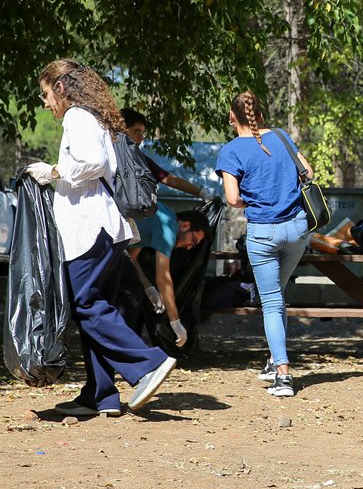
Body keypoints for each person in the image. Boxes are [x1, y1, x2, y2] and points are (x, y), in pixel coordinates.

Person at [26, 58, 177, 416]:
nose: (45, 103)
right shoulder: (94, 118)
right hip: (107, 229)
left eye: (46, 94)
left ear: (61, 88)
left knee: (86, 305)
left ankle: (148, 365)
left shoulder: (78, 117)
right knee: (96, 306)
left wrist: (53, 171)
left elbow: (92, 162)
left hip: (90, 229)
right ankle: (101, 394)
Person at [215, 91, 313, 398]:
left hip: (263, 234)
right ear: (259, 114)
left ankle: (283, 375)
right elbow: (308, 172)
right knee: (277, 295)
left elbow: (232, 199)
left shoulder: (231, 151)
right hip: (297, 230)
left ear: (233, 117)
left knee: (270, 302)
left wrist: (257, 197)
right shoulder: (282, 137)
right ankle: (273, 359)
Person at [123, 205, 212, 347]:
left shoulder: (164, 215)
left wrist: (148, 288)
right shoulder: (169, 228)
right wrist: (175, 322)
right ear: (185, 225)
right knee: (128, 302)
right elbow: (163, 278)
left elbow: (130, 258)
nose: (189, 247)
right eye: (193, 240)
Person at [120, 108, 213, 201]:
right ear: (122, 130)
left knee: (168, 215)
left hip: (131, 211)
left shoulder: (139, 159)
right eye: (136, 132)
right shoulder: (110, 155)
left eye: (142, 133)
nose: (141, 138)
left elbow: (169, 179)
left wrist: (202, 193)